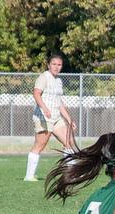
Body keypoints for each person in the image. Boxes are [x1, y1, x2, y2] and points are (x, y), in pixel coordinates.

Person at [24, 53, 77, 182]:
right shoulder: (44, 77)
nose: (56, 67)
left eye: (59, 65)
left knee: (68, 142)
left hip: (56, 117)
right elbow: (36, 94)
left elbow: (59, 102)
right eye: (54, 64)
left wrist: (69, 119)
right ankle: (29, 176)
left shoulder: (58, 81)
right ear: (48, 65)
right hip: (43, 116)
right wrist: (44, 108)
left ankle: (71, 173)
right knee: (40, 145)